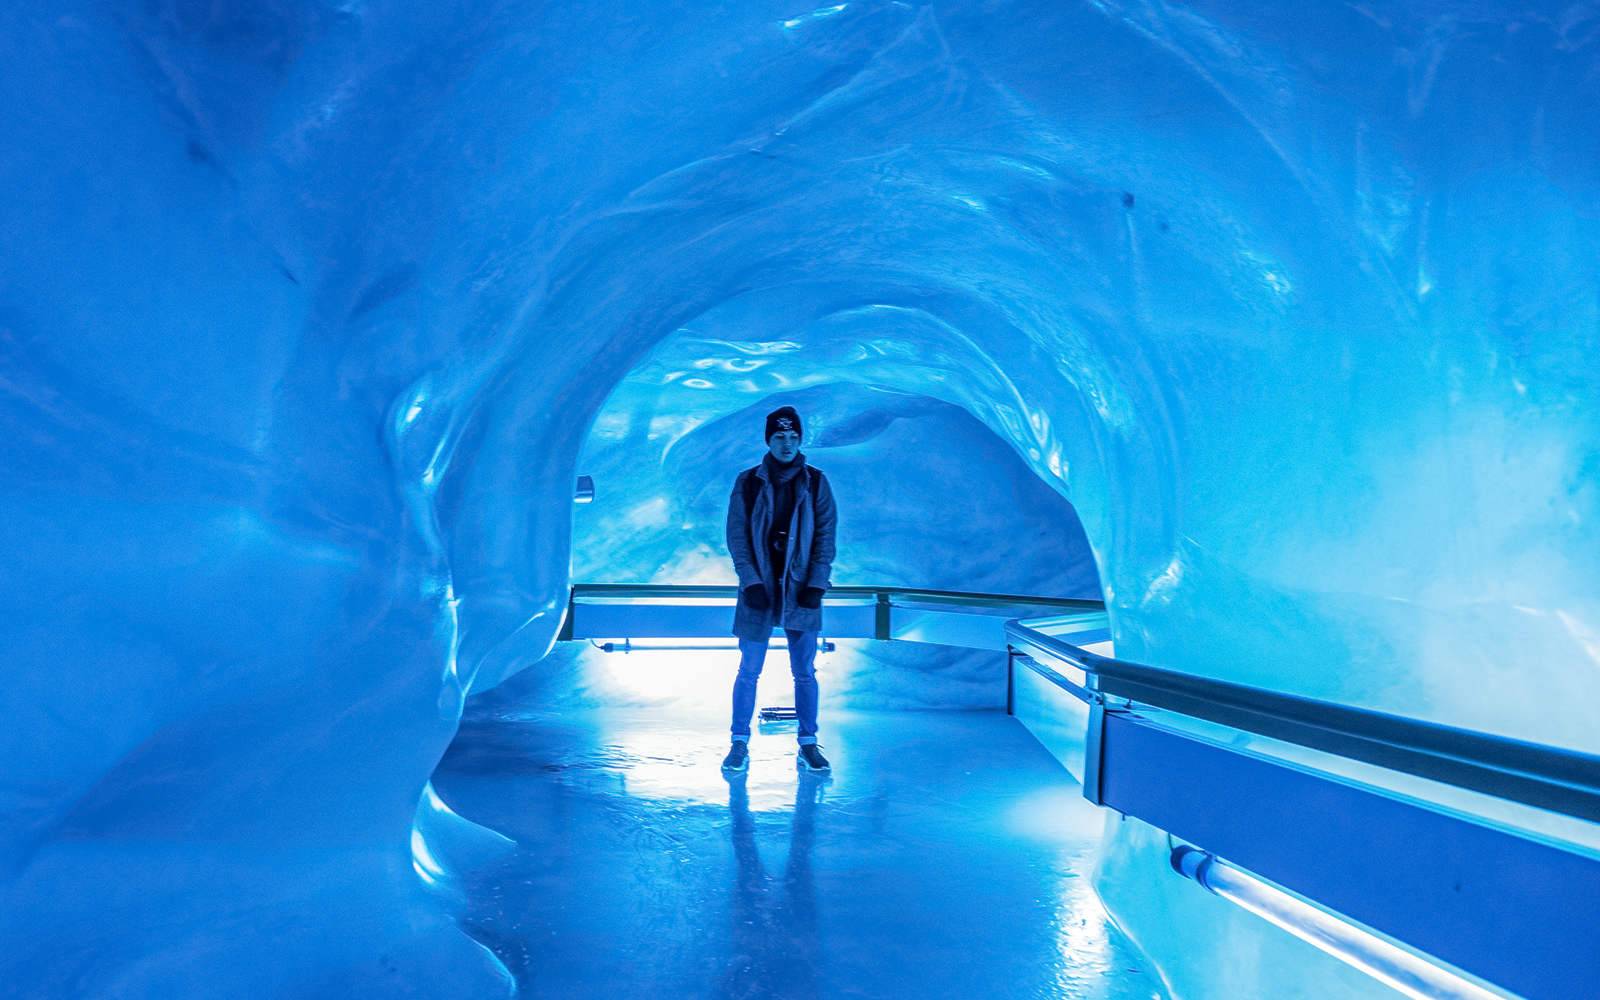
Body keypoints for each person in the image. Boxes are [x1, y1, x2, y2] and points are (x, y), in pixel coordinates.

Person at [721, 406, 837, 773]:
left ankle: (808, 744)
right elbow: (737, 534)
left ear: (800, 440)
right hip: (760, 588)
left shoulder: (816, 482)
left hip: (802, 589)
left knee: (805, 671)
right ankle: (739, 742)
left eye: (792, 437)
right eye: (779, 437)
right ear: (768, 440)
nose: (787, 444)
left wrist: (817, 583)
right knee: (748, 669)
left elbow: (825, 535)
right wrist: (750, 580)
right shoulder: (748, 482)